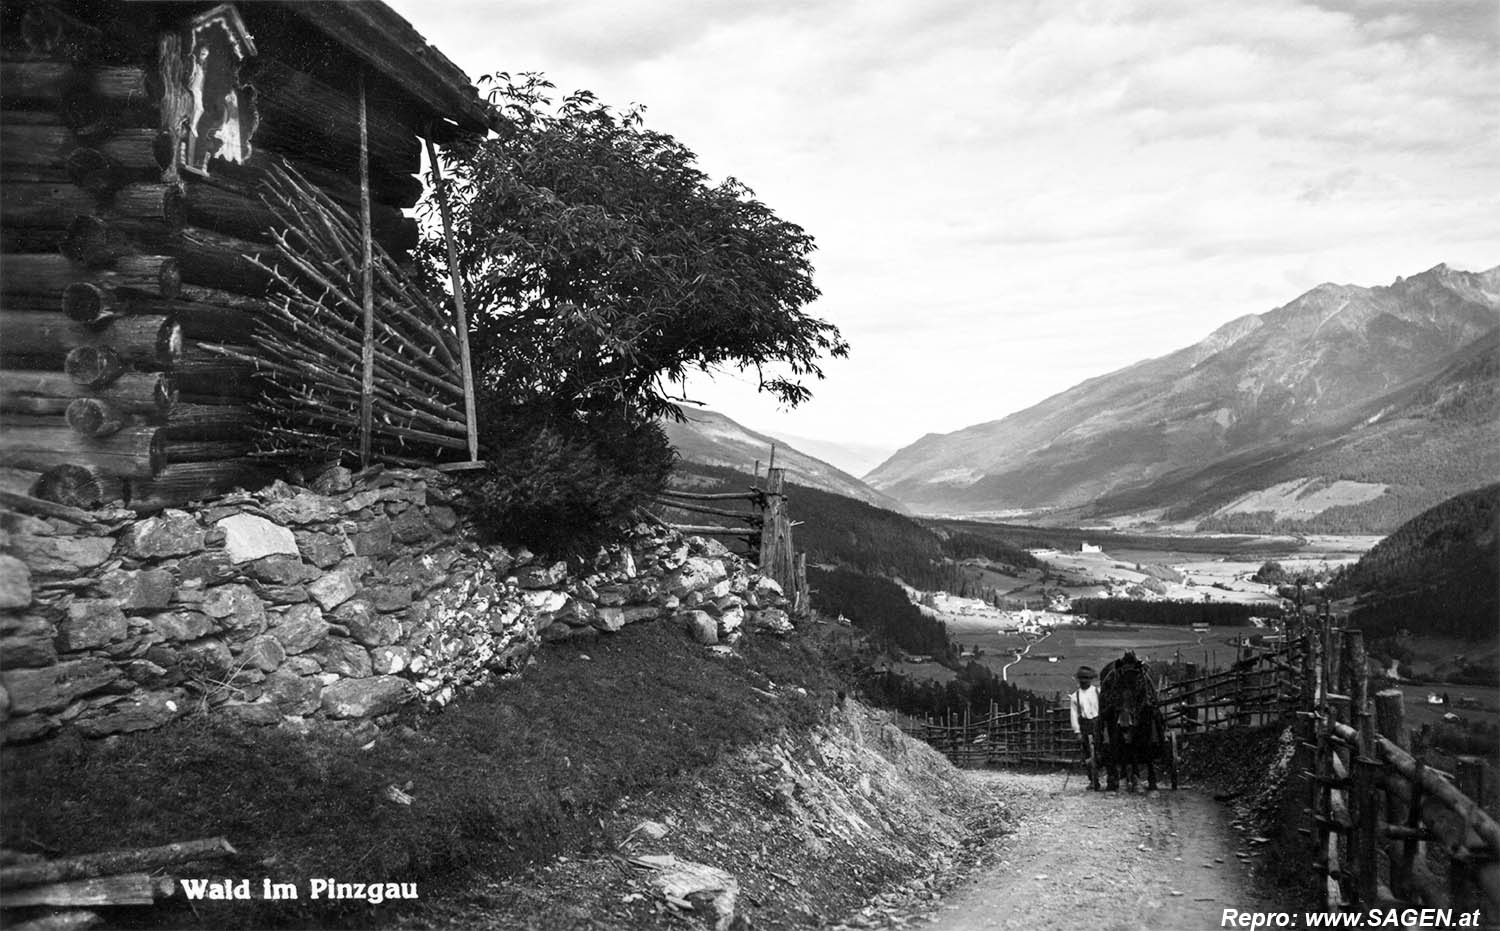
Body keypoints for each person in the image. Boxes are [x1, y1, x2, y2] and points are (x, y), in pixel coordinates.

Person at [1070, 665, 1101, 790]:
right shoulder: (1075, 696)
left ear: (1091, 679)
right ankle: (1093, 780)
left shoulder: (1098, 692)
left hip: (1099, 723)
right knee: (1088, 753)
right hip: (1085, 725)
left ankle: (1112, 781)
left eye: (1087, 678)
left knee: (1103, 752)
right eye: (1082, 678)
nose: (1084, 681)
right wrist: (1077, 732)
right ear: (1078, 680)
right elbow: (1073, 715)